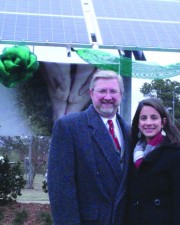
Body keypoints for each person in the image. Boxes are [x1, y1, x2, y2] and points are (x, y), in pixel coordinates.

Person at [47, 69, 131, 225]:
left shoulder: (130, 132)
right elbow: (61, 189)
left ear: (121, 95)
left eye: (113, 91)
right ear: (91, 94)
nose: (108, 97)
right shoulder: (69, 127)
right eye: (102, 91)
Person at [126, 98, 180, 225]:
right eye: (143, 118)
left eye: (154, 117)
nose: (148, 122)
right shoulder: (132, 151)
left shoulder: (177, 153)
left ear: (163, 122)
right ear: (138, 123)